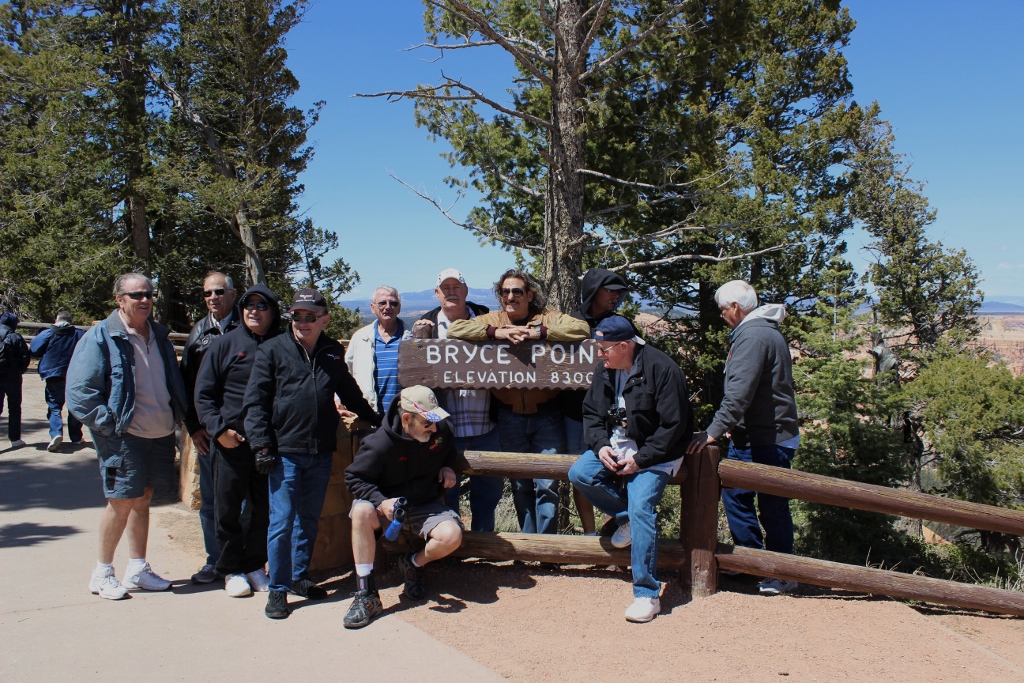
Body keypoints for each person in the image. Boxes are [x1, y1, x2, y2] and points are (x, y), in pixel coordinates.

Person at [243, 287, 380, 619]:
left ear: (324, 319)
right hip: (284, 452)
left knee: (307, 519)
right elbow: (255, 402)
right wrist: (261, 445)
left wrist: (379, 421)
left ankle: (298, 578)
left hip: (320, 451)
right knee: (281, 522)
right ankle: (277, 589)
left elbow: (350, 393)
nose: (302, 322)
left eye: (309, 317)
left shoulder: (332, 351)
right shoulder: (273, 350)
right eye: (297, 315)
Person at [67, 274, 188, 600]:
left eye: (148, 293)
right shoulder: (101, 338)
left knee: (143, 497)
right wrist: (111, 425)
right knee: (120, 500)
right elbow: (79, 395)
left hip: (159, 432)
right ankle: (102, 573)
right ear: (119, 299)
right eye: (136, 295)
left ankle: (137, 568)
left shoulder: (159, 335)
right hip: (123, 436)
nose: (144, 300)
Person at [568, 315, 692, 622]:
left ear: (624, 346)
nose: (599, 353)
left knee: (642, 507)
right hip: (619, 446)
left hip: (656, 454)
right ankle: (625, 520)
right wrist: (600, 446)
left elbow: (673, 426)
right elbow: (592, 414)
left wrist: (641, 459)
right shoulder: (605, 371)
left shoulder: (662, 370)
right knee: (580, 473)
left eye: (604, 348)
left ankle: (647, 595)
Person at [448, 269, 589, 535]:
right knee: (520, 484)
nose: (510, 296)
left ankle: (546, 548)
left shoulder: (546, 316)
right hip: (508, 417)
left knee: (547, 483)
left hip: (547, 416)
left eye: (517, 291)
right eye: (505, 292)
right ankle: (526, 544)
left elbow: (581, 328)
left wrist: (540, 332)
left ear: (529, 294)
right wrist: (496, 332)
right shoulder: (494, 318)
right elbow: (457, 328)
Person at [686, 280, 800, 596]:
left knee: (772, 504)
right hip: (757, 435)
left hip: (768, 437)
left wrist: (711, 432)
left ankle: (780, 572)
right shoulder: (763, 331)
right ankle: (753, 561)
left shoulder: (752, 337)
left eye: (723, 310)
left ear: (735, 308)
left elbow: (738, 395)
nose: (722, 316)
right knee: (737, 495)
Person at [343, 386, 461, 629]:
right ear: (407, 419)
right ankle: (366, 594)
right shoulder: (379, 444)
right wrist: (380, 500)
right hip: (388, 508)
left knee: (452, 536)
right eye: (428, 423)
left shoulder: (441, 431)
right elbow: (354, 478)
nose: (435, 428)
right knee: (361, 511)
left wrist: (448, 467)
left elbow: (448, 450)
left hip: (427, 506)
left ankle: (414, 563)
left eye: (436, 420)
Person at [194, 284, 281, 597]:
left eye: (262, 305)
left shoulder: (282, 344)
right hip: (231, 442)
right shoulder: (224, 344)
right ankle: (230, 569)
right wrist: (219, 430)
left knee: (262, 510)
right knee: (227, 508)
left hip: (268, 443)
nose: (254, 310)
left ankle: (255, 565)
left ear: (273, 312)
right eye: (249, 305)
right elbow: (203, 394)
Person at [412, 268, 502, 531]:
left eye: (456, 287)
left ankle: (485, 548)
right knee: (445, 493)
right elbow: (412, 373)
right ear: (437, 293)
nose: (451, 292)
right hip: (445, 428)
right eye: (446, 288)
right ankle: (453, 548)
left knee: (489, 494)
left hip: (487, 425)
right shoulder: (425, 325)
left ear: (466, 290)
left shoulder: (488, 319)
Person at [180, 271, 240, 585]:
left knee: (243, 501)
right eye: (207, 293)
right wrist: (194, 427)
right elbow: (185, 385)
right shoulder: (198, 334)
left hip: (243, 430)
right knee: (212, 500)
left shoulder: (248, 327)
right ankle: (215, 561)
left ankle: (242, 561)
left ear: (232, 294)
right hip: (210, 433)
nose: (213, 298)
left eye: (218, 291)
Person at [562, 268, 632, 535]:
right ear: (593, 291)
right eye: (609, 290)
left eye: (619, 292)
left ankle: (613, 531)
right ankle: (589, 535)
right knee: (582, 476)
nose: (615, 296)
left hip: (613, 416)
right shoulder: (570, 323)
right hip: (574, 413)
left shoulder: (620, 325)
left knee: (614, 473)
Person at [345, 285, 406, 417]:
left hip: (403, 416)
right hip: (369, 415)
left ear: (399, 308)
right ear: (373, 308)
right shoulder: (360, 337)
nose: (388, 307)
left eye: (393, 303)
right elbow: (344, 373)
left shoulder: (410, 337)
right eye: (382, 303)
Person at [30, 311, 86, 452]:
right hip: (75, 374)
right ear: (71, 321)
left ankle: (56, 434)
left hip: (53, 374)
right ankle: (76, 437)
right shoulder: (79, 334)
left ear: (56, 319)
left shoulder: (48, 333)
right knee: (74, 406)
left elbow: (35, 348)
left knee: (54, 406)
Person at [0, 312, 31, 450]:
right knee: (14, 408)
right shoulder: (15, 337)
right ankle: (15, 438)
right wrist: (20, 370)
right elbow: (25, 358)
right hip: (12, 378)